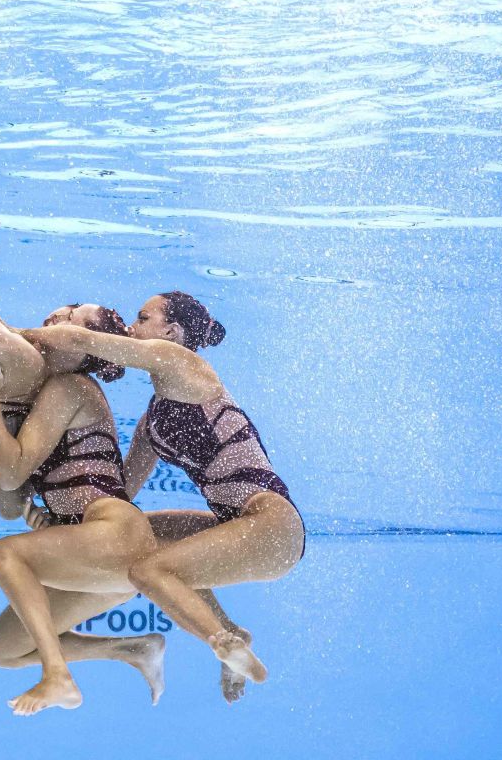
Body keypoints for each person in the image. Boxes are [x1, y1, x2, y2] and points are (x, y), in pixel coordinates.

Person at [27, 292, 303, 691]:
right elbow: (118, 495)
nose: (132, 327)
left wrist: (11, 335)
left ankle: (222, 643)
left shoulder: (183, 362)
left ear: (171, 332)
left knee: (147, 571)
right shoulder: (152, 422)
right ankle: (231, 632)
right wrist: (58, 518)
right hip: (237, 522)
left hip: (273, 526)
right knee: (141, 538)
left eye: (143, 318)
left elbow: (83, 341)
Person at [0, 306, 165, 715]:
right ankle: (130, 647)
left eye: (74, 316)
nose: (58, 313)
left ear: (83, 347)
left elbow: (10, 473)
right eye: (64, 306)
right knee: (1, 650)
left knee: (3, 554)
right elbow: (9, 503)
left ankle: (57, 675)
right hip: (101, 558)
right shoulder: (43, 397)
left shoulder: (72, 386)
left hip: (116, 533)